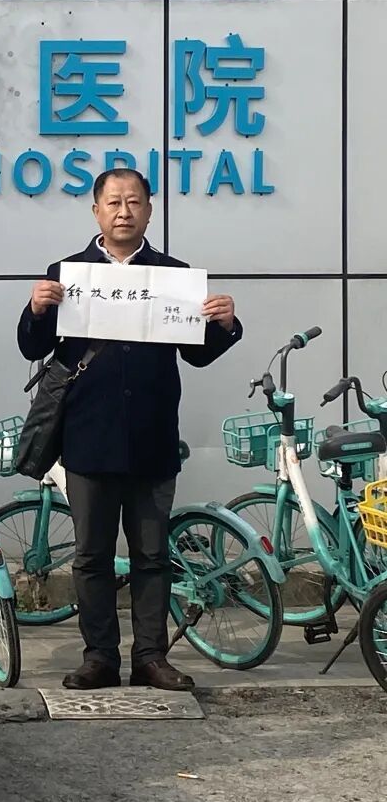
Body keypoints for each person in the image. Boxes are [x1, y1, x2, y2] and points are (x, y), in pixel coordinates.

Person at [16, 168, 242, 692]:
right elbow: (32, 346)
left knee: (153, 558)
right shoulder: (67, 273)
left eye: (134, 202)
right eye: (114, 202)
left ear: (149, 210)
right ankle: (99, 658)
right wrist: (35, 309)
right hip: (88, 440)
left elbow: (198, 354)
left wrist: (225, 324)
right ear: (96, 210)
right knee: (91, 558)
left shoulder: (174, 277)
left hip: (152, 439)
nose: (124, 211)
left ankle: (150, 658)